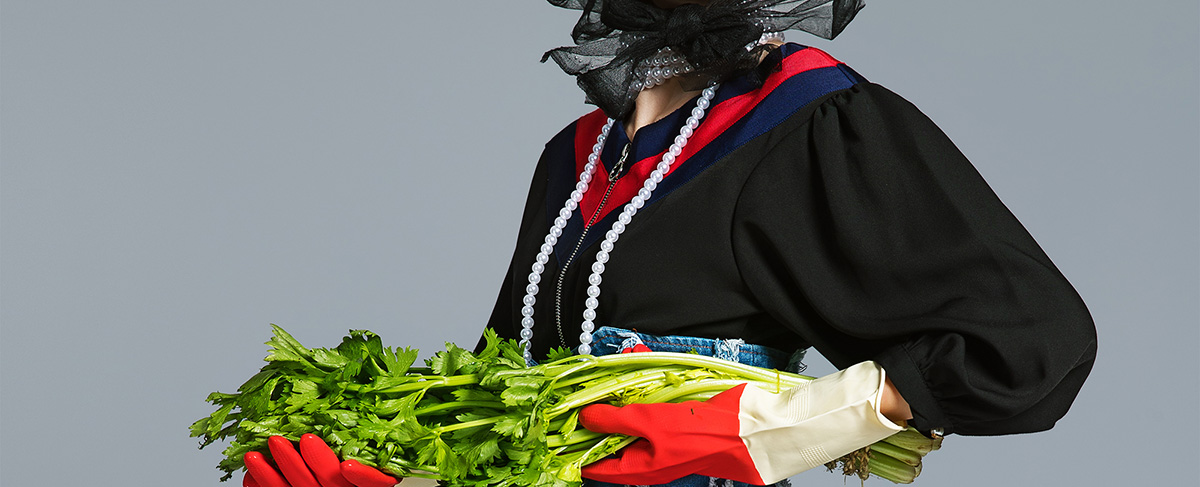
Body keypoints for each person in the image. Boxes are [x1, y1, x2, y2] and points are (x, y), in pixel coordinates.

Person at [243, 1, 1097, 486]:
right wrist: (406, 471)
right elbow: (508, 393)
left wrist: (762, 429)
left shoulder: (807, 118)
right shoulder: (576, 155)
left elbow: (1030, 343)